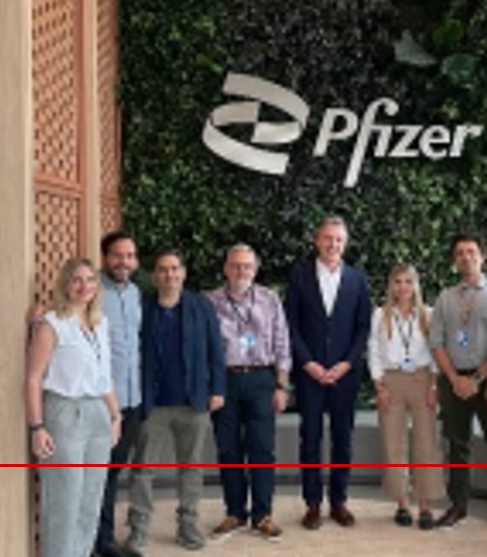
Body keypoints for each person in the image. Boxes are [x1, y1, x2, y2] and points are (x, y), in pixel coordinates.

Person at [126, 250, 226, 552]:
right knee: (143, 469)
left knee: (191, 467)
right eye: (163, 269)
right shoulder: (142, 307)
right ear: (154, 275)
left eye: (174, 269)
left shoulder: (201, 306)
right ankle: (139, 529)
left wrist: (218, 389)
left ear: (183, 273)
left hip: (192, 402)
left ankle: (188, 524)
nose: (169, 275)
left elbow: (215, 350)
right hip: (152, 403)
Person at [25, 257, 122, 557]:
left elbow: (104, 377)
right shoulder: (52, 324)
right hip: (65, 414)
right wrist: (37, 427)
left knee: (90, 503)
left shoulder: (99, 323)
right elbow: (33, 378)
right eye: (77, 280)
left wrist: (115, 415)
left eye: (90, 280)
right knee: (63, 504)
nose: (84, 286)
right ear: (65, 285)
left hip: (98, 414)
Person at [285, 216, 373, 529]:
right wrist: (308, 363)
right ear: (317, 240)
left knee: (342, 438)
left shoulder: (358, 280)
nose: (333, 244)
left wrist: (346, 363)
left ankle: (339, 501)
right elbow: (291, 325)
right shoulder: (300, 277)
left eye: (338, 239)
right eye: (327, 238)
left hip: (345, 374)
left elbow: (363, 327)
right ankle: (312, 504)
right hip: (309, 374)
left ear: (344, 244)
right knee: (310, 438)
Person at [205, 244, 292, 542]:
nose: (241, 271)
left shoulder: (270, 299)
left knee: (262, 450)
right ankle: (235, 513)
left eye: (247, 266)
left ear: (255, 270)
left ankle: (263, 515)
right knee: (228, 450)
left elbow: (282, 343)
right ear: (226, 268)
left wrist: (281, 385)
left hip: (261, 379)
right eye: (235, 265)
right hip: (224, 382)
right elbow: (205, 348)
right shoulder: (210, 302)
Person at [429, 234, 487, 530]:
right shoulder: (445, 297)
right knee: (457, 444)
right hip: (453, 380)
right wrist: (454, 379)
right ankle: (459, 505)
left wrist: (477, 378)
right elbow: (436, 342)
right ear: (455, 260)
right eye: (460, 253)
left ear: (483, 257)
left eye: (471, 252)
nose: (466, 257)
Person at [367, 264, 444, 530]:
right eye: (398, 282)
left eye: (408, 282)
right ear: (391, 285)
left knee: (426, 442)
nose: (403, 287)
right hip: (391, 381)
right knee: (393, 442)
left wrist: (434, 386)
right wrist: (379, 386)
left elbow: (436, 351)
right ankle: (402, 503)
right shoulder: (380, 315)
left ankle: (425, 505)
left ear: (415, 285)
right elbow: (373, 349)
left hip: (422, 380)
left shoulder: (428, 314)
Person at [96, 231, 144, 557]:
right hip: (102, 401)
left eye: (129, 256)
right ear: (105, 258)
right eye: (117, 255)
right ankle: (101, 543)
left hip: (131, 399)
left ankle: (104, 540)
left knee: (112, 472)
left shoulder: (135, 293)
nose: (123, 262)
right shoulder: (93, 291)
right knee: (99, 474)